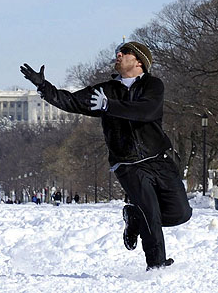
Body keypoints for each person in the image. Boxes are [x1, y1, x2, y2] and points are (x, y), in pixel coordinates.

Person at [21, 41, 192, 270]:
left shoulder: (153, 85)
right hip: (128, 163)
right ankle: (157, 267)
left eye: (125, 52)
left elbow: (147, 111)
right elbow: (71, 101)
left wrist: (108, 106)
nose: (118, 55)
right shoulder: (105, 90)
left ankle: (134, 217)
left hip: (158, 158)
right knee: (150, 213)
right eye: (117, 53)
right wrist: (44, 87)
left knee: (180, 213)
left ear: (139, 61)